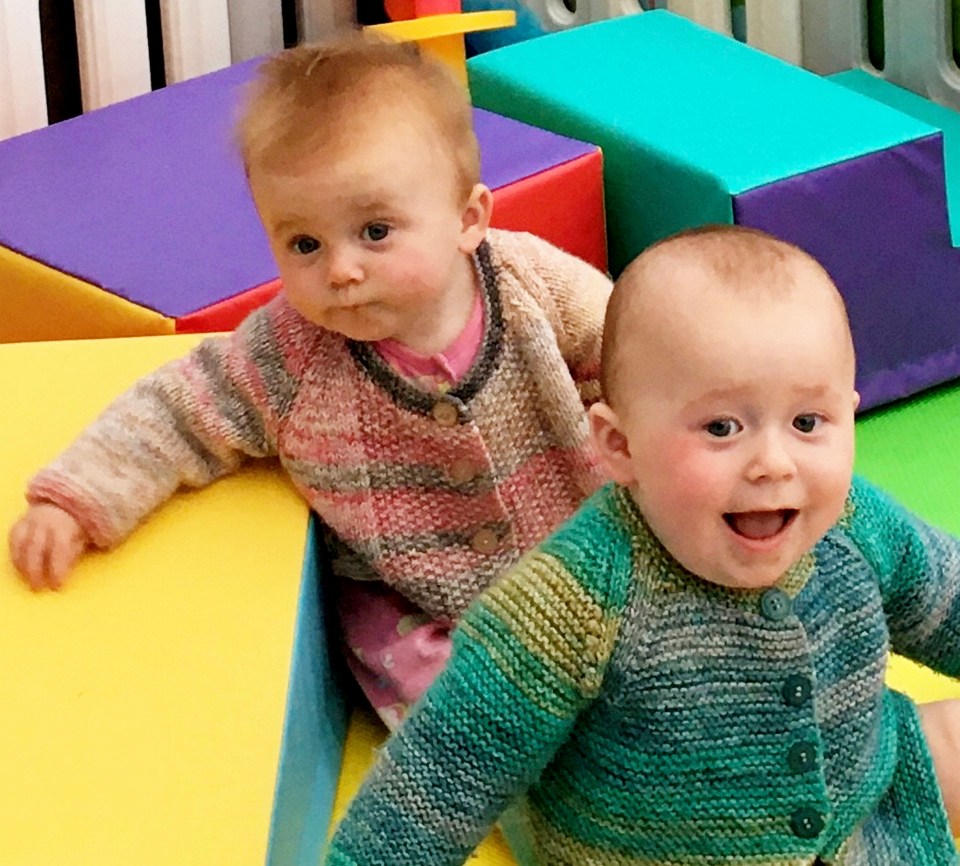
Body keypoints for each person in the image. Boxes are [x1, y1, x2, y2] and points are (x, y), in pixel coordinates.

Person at [5, 31, 612, 729]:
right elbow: (176, 411)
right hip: (414, 603)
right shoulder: (289, 352)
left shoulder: (531, 284)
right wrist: (76, 500)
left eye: (376, 231)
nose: (341, 270)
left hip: (574, 553)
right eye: (304, 244)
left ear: (467, 220)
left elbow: (631, 352)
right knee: (455, 712)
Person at [324, 225, 960, 865]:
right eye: (721, 427)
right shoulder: (579, 596)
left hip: (860, 802)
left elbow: (945, 597)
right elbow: (441, 772)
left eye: (807, 423)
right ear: (620, 447)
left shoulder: (853, 523)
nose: (773, 462)